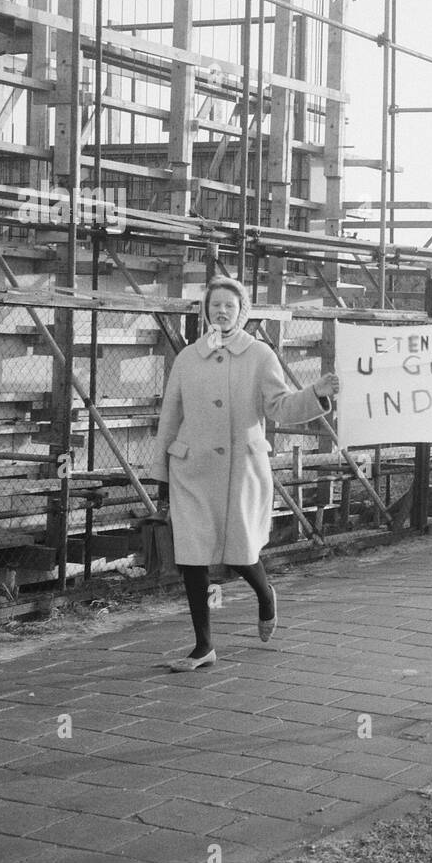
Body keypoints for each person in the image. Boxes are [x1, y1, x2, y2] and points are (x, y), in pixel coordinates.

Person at [154, 276, 340, 673]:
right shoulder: (188, 358)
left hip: (241, 470)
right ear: (205, 309)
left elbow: (280, 407)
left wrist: (317, 393)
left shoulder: (259, 355)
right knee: (192, 559)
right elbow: (170, 418)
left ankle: (266, 594)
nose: (221, 311)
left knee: (241, 553)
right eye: (215, 304)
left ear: (242, 312)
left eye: (230, 306)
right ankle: (203, 646)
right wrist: (161, 477)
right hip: (192, 470)